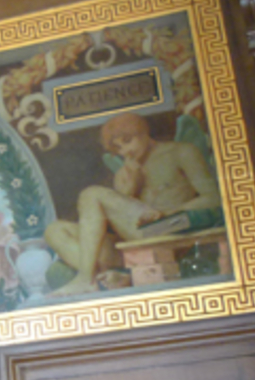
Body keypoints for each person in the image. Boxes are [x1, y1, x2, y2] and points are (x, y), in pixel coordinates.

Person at [44, 112, 220, 295]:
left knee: (91, 194)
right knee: (54, 230)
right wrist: (131, 186)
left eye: (128, 141)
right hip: (135, 239)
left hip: (170, 227)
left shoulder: (180, 152)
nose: (125, 151)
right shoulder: (126, 171)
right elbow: (114, 223)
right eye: (118, 148)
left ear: (143, 131)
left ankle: (86, 279)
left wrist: (171, 212)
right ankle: (117, 276)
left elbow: (213, 198)